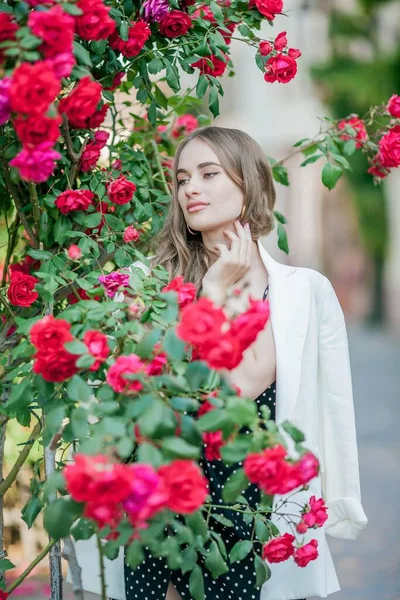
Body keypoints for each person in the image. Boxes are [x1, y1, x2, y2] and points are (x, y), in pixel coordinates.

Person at [72, 127, 368, 600]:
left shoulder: (297, 290)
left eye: (209, 174)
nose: (191, 188)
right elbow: (153, 387)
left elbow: (239, 386)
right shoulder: (147, 284)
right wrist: (211, 293)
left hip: (249, 506)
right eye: (183, 178)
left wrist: (214, 296)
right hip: (159, 498)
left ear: (248, 183)